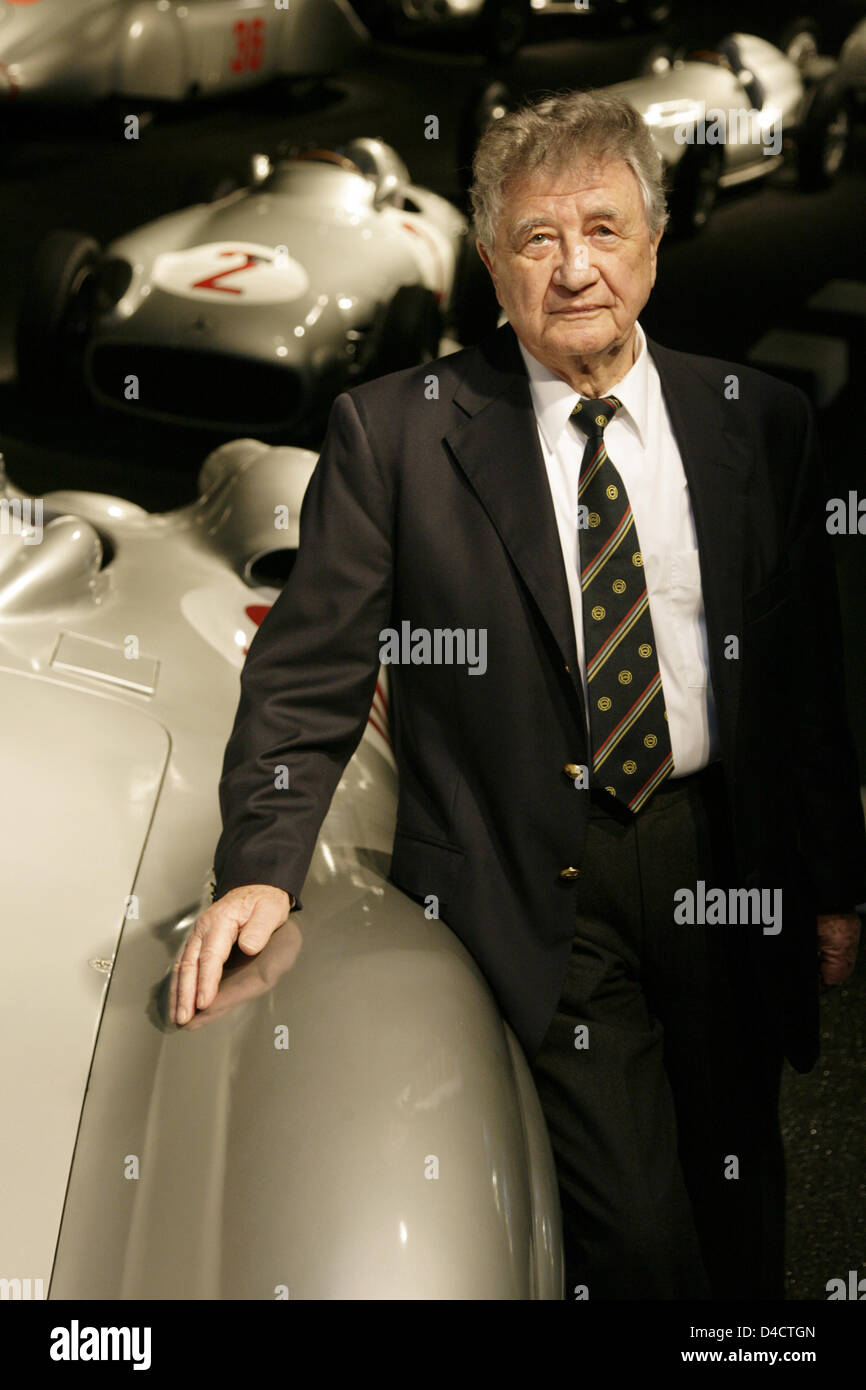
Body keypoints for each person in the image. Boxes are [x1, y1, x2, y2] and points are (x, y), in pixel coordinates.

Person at [171, 90, 865, 1299]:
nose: (575, 268)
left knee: (740, 1198)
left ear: (653, 241)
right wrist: (259, 864)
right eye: (537, 240)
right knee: (636, 1241)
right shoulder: (395, 436)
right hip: (531, 880)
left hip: (721, 855)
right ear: (490, 265)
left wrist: (829, 875)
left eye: (603, 228)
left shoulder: (758, 426)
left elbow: (801, 679)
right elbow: (309, 669)